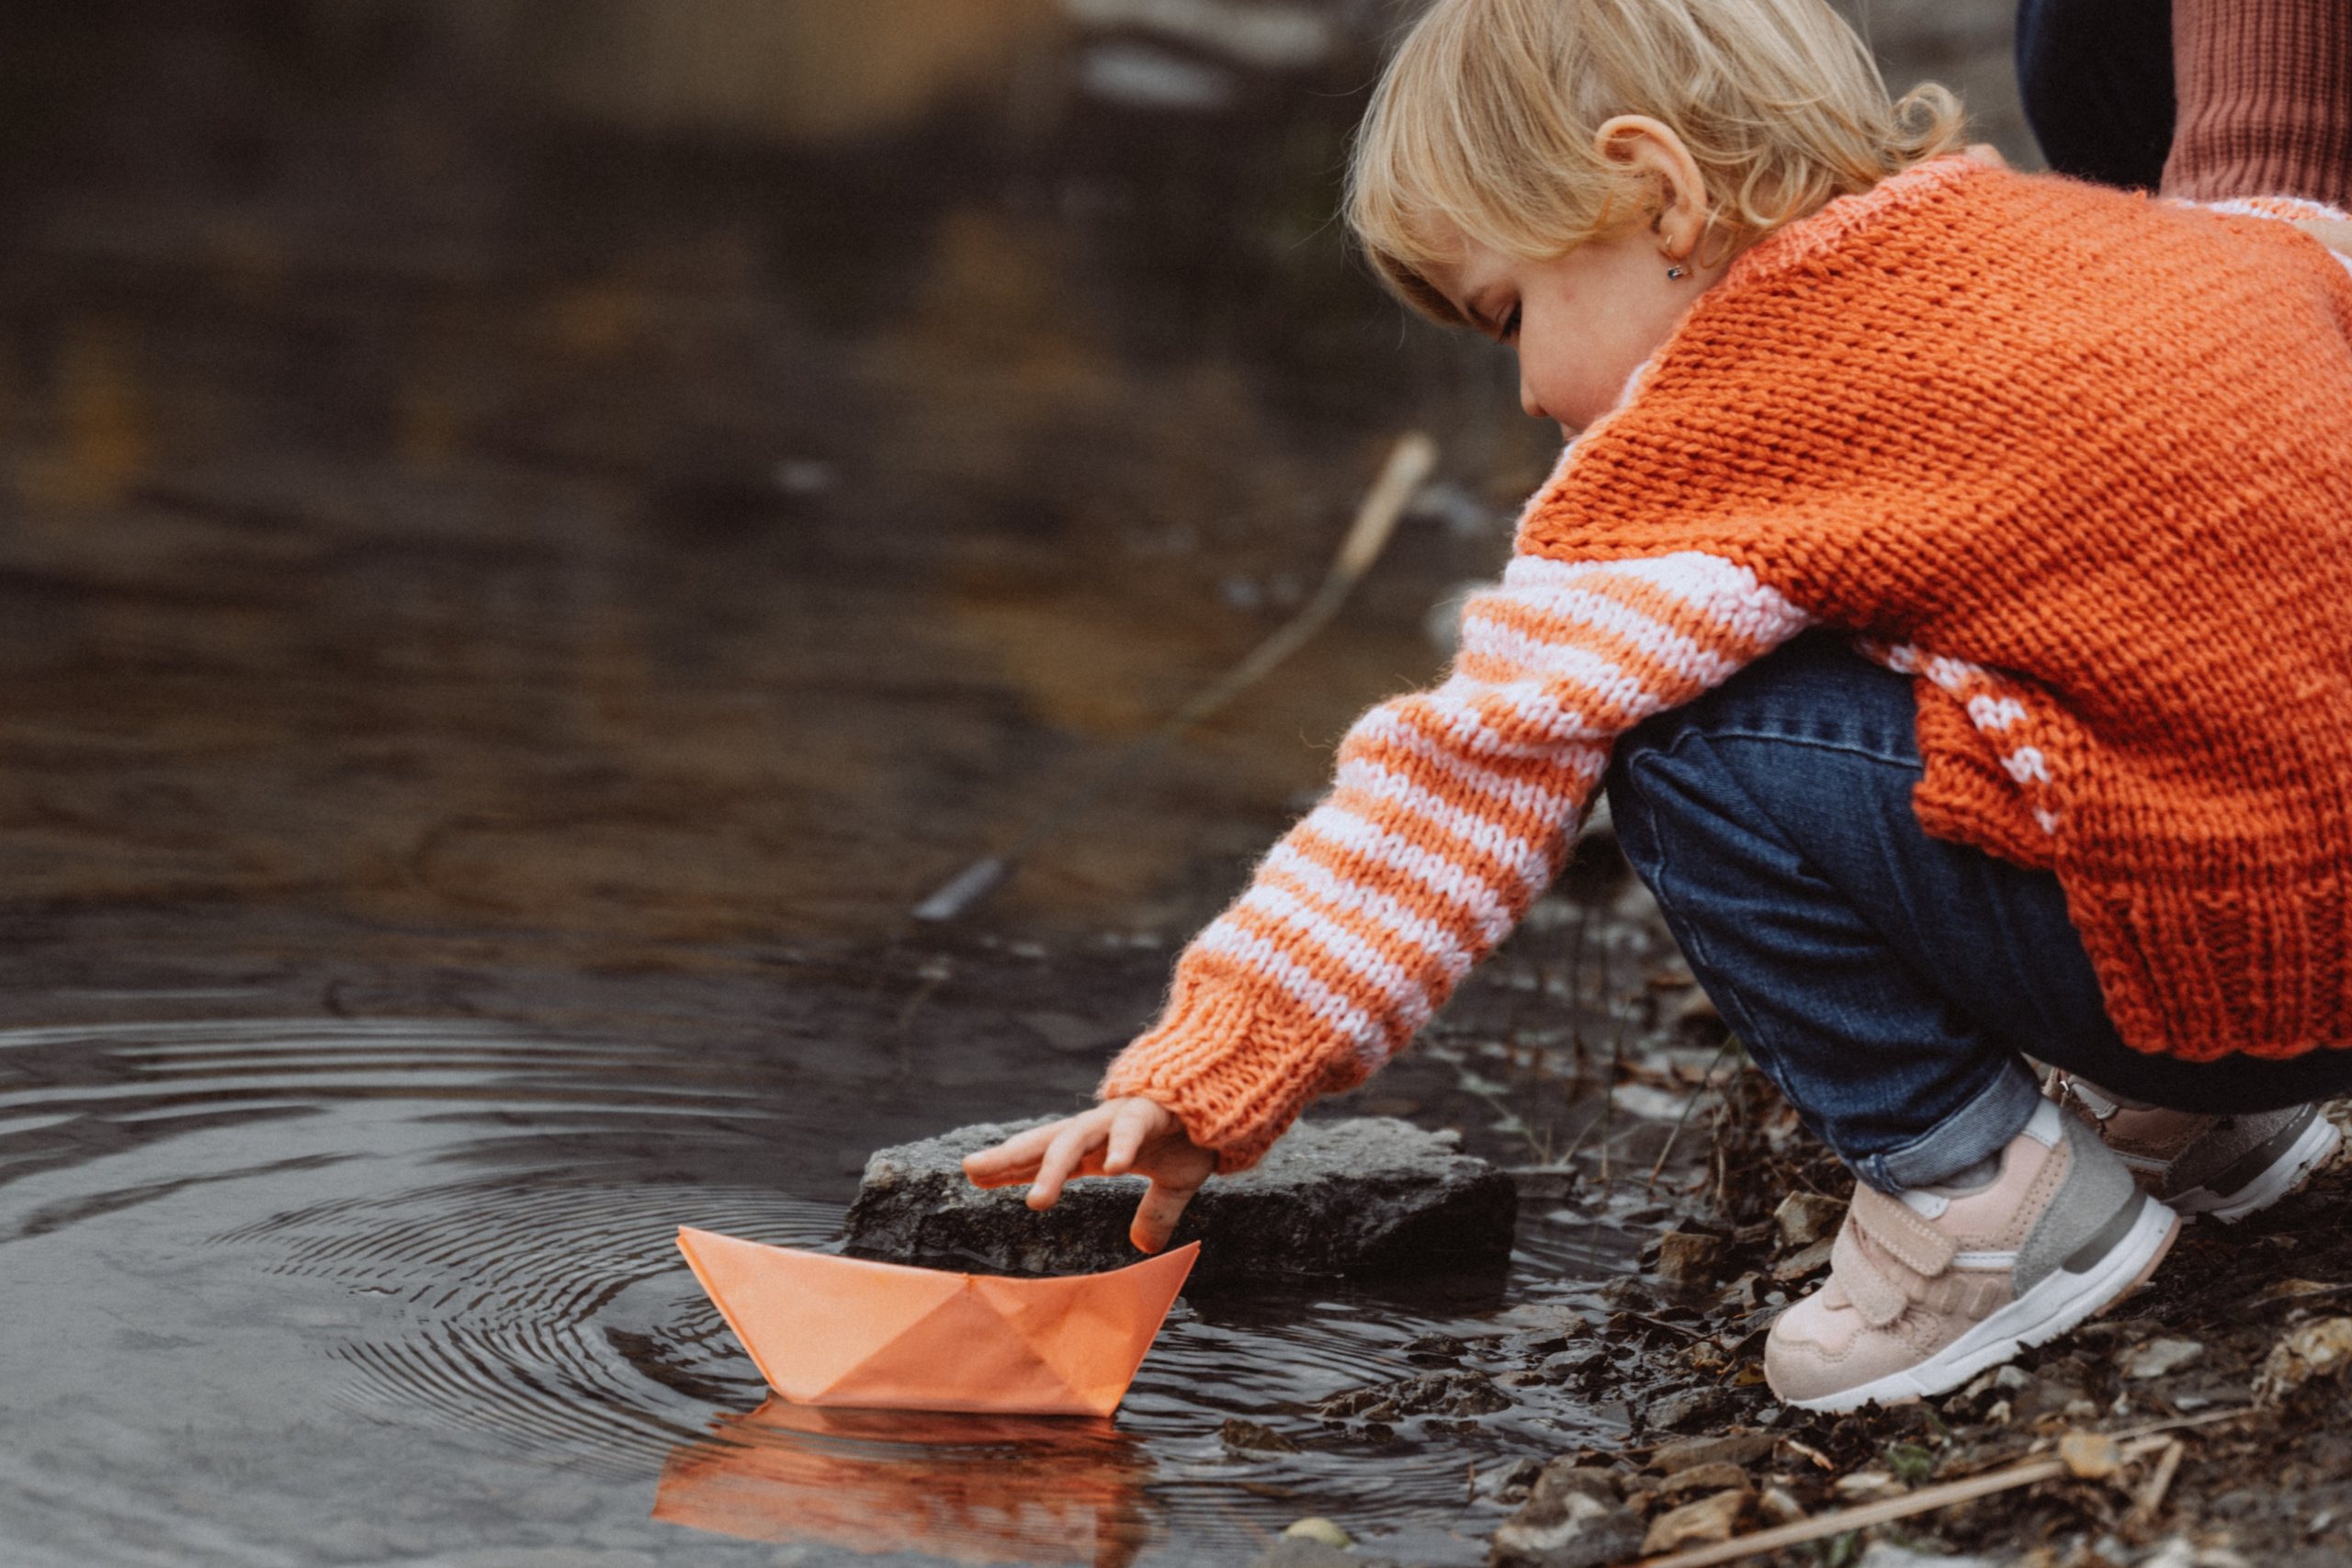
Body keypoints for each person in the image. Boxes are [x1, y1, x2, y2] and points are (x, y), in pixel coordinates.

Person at [963, 0, 2352, 1413]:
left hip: (2236, 968)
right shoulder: (2137, 244)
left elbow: (1466, 771)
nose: (1525, 391)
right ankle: (2208, 1117)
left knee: (1682, 744)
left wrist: (1213, 1069)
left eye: (1510, 313)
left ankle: (1980, 1196)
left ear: (1659, 195)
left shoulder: (1713, 428)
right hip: (2309, 942)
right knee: (2093, 678)